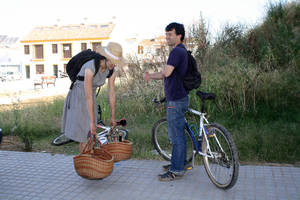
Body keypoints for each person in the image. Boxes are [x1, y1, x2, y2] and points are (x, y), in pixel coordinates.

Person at [145, 22, 190, 181]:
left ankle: (176, 170)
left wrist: (162, 71)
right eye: (166, 34)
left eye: (170, 34)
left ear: (179, 35)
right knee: (180, 135)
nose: (167, 37)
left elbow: (167, 72)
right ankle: (180, 163)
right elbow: (165, 73)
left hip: (175, 100)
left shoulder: (177, 52)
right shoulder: (180, 51)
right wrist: (151, 76)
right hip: (180, 97)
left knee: (176, 137)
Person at [61, 42, 125, 153]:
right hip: (79, 96)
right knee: (85, 134)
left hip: (91, 98)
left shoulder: (111, 70)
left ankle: (89, 162)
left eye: (116, 63)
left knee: (91, 135)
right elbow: (88, 96)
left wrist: (113, 117)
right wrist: (91, 122)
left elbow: (112, 94)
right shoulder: (90, 67)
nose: (114, 65)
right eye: (113, 62)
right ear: (105, 57)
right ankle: (84, 164)